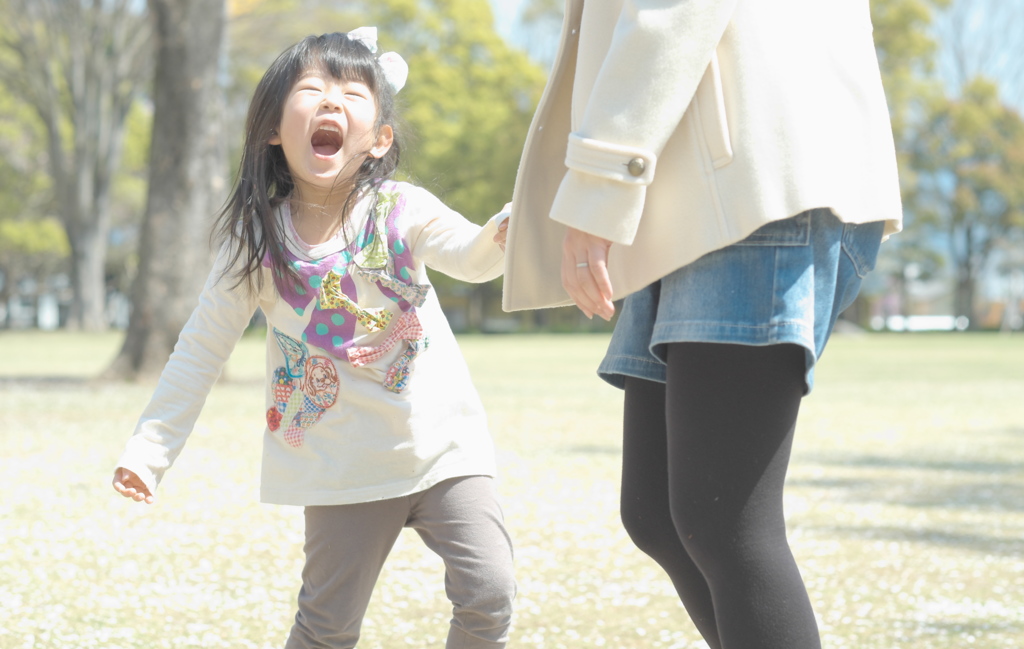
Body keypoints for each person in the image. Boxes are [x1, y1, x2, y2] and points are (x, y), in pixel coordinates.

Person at [502, 2, 902, 648]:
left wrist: (601, 179)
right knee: (657, 512)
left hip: (752, 168)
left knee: (725, 520)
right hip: (685, 191)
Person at [112, 28, 515, 649]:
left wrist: (502, 232)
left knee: (489, 595)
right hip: (342, 469)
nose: (332, 102)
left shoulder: (402, 209)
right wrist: (148, 450)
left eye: (354, 92)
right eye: (312, 89)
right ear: (274, 128)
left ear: (379, 139)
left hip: (444, 451)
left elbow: (471, 255)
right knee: (326, 630)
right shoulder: (256, 241)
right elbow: (201, 349)